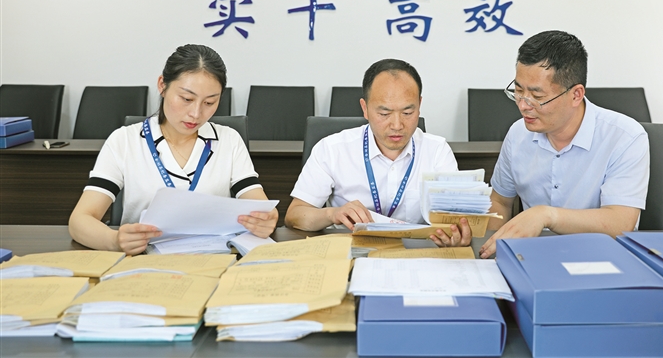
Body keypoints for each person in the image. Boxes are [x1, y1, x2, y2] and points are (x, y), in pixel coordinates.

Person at [69, 44, 278, 255]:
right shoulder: (124, 140)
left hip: (214, 260)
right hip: (144, 261)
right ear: (162, 85)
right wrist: (114, 240)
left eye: (209, 102)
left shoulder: (229, 140)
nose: (196, 113)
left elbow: (261, 206)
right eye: (187, 99)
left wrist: (267, 220)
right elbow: (80, 220)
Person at [479, 30, 649, 259]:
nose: (523, 105)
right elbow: (500, 201)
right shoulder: (518, 134)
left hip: (602, 259)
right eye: (518, 91)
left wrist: (546, 216)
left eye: (537, 96)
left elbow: (620, 222)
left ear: (576, 94)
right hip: (533, 258)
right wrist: (490, 249)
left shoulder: (625, 137)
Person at [285, 59, 472, 246]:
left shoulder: (437, 151)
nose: (397, 125)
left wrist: (457, 233)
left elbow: (457, 217)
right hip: (350, 251)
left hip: (414, 253)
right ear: (365, 108)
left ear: (419, 105)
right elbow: (294, 215)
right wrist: (332, 214)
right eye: (384, 114)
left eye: (407, 113)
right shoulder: (332, 149)